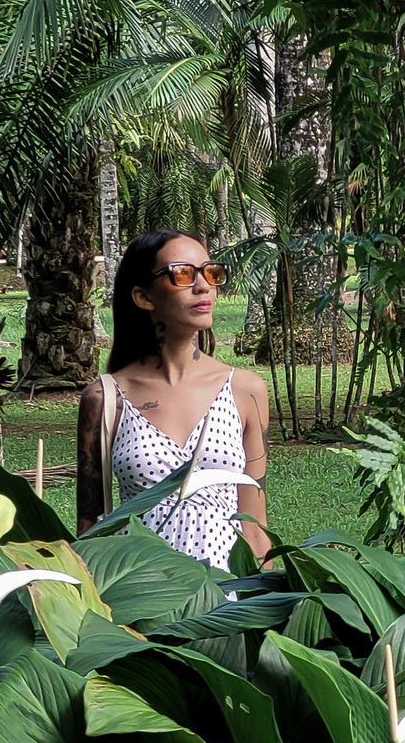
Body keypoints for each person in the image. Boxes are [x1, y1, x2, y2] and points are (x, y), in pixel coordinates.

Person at [76, 228, 272, 570]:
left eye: (211, 273)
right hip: (141, 600)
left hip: (226, 600)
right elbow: (91, 530)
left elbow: (255, 529)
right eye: (182, 274)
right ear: (143, 297)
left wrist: (260, 606)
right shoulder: (104, 398)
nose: (203, 286)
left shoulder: (245, 390)